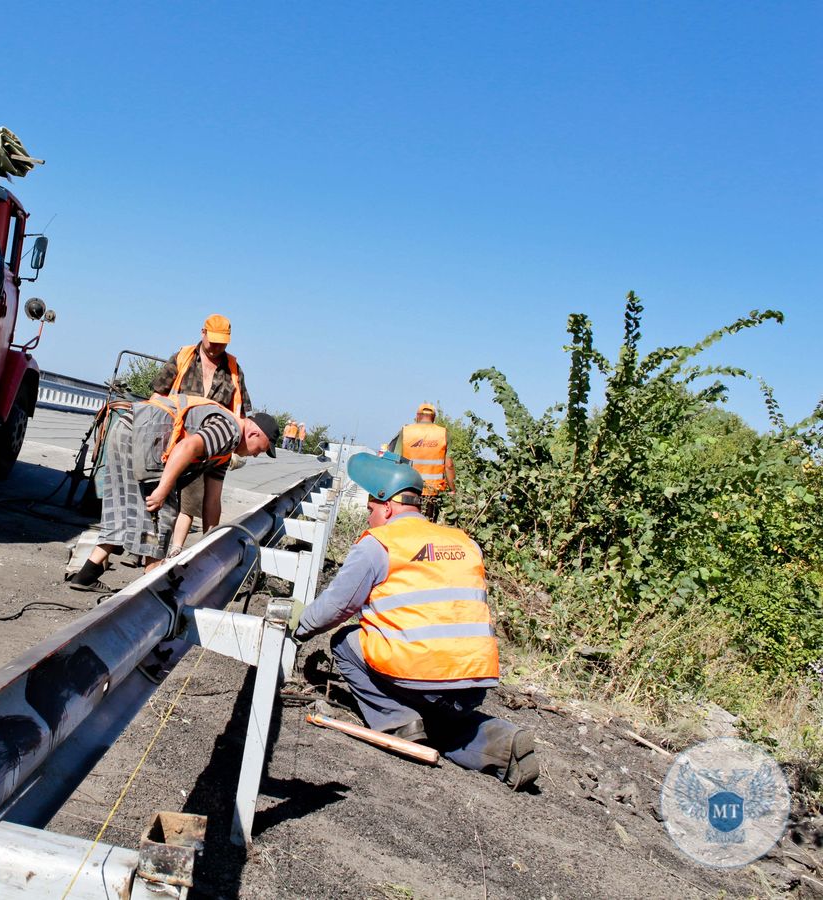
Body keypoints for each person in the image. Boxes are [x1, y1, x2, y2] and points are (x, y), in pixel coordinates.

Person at [290, 452, 538, 789]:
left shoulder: (380, 545)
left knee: (345, 643)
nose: (369, 519)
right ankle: (502, 744)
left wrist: (298, 629)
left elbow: (337, 607)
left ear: (387, 506)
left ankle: (398, 723)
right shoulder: (465, 543)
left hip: (419, 678)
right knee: (443, 718)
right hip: (475, 683)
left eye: (371, 511)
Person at [67, 393, 279, 590]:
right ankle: (152, 587)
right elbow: (186, 448)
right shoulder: (230, 430)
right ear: (253, 433)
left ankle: (87, 575)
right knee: (163, 514)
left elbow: (212, 501)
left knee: (124, 508)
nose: (257, 455)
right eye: (261, 449)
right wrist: (162, 490)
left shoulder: (223, 453)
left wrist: (211, 542)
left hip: (127, 429)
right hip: (143, 435)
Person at [150, 314, 253, 557]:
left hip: (216, 444)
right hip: (177, 439)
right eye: (213, 341)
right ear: (202, 333)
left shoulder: (233, 369)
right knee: (163, 492)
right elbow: (158, 394)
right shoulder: (183, 357)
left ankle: (206, 550)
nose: (217, 347)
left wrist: (236, 445)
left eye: (223, 343)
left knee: (209, 498)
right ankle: (149, 548)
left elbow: (241, 409)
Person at [387, 402, 455, 517]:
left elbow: (395, 460)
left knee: (408, 521)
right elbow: (449, 465)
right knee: (428, 523)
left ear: (417, 416)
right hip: (433, 492)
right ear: (433, 417)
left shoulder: (406, 431)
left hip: (408, 487)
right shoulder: (443, 433)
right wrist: (453, 490)